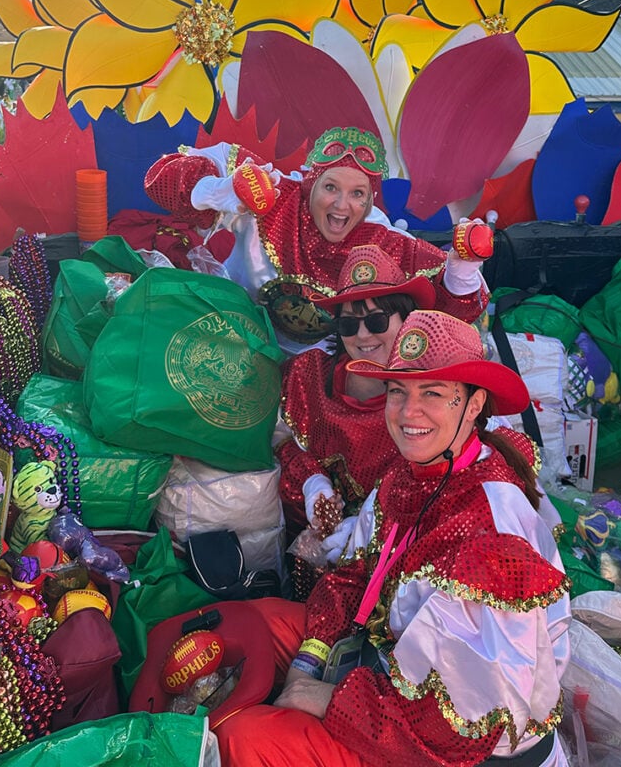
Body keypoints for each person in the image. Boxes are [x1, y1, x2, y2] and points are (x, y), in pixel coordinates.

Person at [220, 310, 571, 767]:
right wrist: (311, 658)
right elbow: (356, 573)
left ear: (474, 404)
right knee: (255, 625)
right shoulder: (409, 476)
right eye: (397, 391)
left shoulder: (491, 532)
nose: (408, 412)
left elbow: (463, 729)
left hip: (450, 747)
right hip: (386, 666)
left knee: (246, 738)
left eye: (432, 393)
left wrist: (328, 698)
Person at [144, 126, 489, 351]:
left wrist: (462, 267)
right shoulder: (273, 194)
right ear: (310, 183)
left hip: (315, 374)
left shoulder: (382, 240)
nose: (341, 205)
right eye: (330, 188)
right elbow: (161, 179)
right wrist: (222, 190)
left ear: (370, 201)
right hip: (231, 340)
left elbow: (455, 307)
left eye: (357, 194)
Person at [276, 244, 436, 549]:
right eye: (349, 324)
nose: (362, 335)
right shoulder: (306, 374)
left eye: (377, 321)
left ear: (408, 320)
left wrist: (371, 526)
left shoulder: (432, 395)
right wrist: (312, 482)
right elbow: (279, 440)